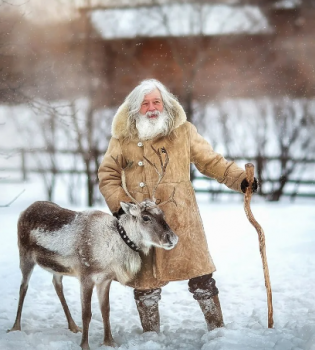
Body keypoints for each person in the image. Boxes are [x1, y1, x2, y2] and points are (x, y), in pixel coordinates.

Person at [97, 79, 257, 333]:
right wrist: (122, 209)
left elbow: (211, 161)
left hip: (181, 216)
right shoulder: (123, 139)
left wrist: (240, 179)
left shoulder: (183, 132)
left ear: (166, 104)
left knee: (201, 275)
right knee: (146, 284)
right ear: (135, 108)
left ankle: (218, 331)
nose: (151, 108)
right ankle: (152, 337)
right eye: (145, 103)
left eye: (156, 102)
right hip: (144, 224)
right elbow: (108, 175)